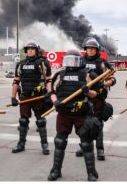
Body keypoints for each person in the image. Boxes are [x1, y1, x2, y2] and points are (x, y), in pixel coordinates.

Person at [47, 49, 101, 181]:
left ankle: (91, 173)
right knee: (59, 142)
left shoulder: (87, 75)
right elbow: (51, 91)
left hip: (81, 113)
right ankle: (56, 170)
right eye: (68, 60)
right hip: (64, 113)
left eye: (74, 60)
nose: (71, 63)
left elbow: (96, 93)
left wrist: (87, 91)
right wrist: (55, 102)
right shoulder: (60, 75)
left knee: (86, 144)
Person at [75, 37, 116, 160]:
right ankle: (84, 146)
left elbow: (113, 79)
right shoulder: (79, 61)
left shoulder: (103, 63)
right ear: (85, 49)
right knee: (82, 123)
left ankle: (100, 149)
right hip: (82, 96)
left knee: (97, 123)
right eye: (89, 48)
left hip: (97, 97)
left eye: (93, 48)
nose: (91, 50)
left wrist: (104, 84)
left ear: (97, 50)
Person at [10, 42, 52, 155]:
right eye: (28, 49)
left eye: (32, 49)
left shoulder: (43, 63)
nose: (30, 51)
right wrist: (13, 97)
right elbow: (16, 82)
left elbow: (48, 80)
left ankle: (44, 145)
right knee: (23, 121)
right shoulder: (21, 64)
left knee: (41, 121)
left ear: (37, 50)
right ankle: (21, 144)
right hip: (25, 96)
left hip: (39, 96)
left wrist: (49, 92)